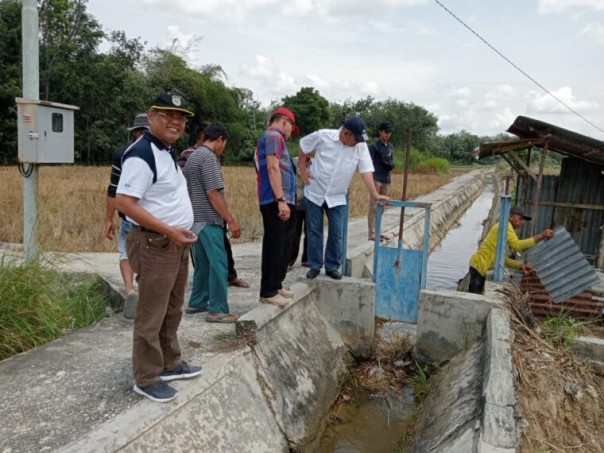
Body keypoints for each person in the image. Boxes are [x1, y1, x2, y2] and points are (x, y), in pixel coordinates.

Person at [115, 93, 202, 403]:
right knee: (151, 313)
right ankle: (147, 378)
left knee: (172, 308)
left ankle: (170, 362)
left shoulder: (165, 151)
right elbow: (125, 203)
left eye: (181, 117)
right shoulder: (142, 154)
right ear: (151, 115)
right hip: (155, 243)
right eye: (167, 114)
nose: (175, 121)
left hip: (174, 243)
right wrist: (168, 230)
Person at [299, 116, 390, 280]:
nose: (358, 142)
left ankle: (332, 266)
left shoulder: (360, 146)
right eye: (356, 138)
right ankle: (315, 265)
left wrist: (374, 194)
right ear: (346, 134)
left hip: (338, 196)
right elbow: (303, 145)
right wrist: (303, 170)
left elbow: (366, 170)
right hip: (315, 193)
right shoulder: (323, 136)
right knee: (314, 231)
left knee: (337, 232)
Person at [178, 123, 249, 289]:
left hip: (195, 221)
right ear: (220, 139)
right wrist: (230, 221)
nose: (223, 148)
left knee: (202, 267)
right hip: (209, 220)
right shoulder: (208, 157)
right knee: (219, 265)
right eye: (224, 143)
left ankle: (198, 302)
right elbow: (213, 193)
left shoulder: (193, 156)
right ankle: (218, 309)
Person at [104, 113, 148, 319]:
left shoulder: (121, 153)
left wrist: (108, 219)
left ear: (135, 132)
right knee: (150, 254)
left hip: (128, 215)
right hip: (150, 217)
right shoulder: (160, 151)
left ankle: (130, 290)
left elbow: (113, 189)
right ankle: (148, 295)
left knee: (125, 252)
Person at [256, 107, 299, 306]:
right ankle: (268, 291)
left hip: (281, 199)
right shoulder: (274, 136)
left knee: (284, 243)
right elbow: (273, 167)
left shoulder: (276, 137)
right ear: (284, 121)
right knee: (275, 244)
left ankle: (277, 284)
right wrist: (280, 199)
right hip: (275, 200)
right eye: (291, 127)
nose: (291, 132)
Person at [467, 206, 553, 294]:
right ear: (511, 217)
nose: (522, 222)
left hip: (479, 266)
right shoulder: (506, 226)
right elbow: (517, 245)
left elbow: (502, 259)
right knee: (474, 295)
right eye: (520, 218)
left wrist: (520, 266)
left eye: (523, 220)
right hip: (479, 266)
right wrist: (541, 236)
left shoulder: (504, 227)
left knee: (476, 293)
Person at [368, 121, 394, 241]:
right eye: (385, 132)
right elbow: (368, 165)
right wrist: (372, 180)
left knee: (382, 207)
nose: (387, 134)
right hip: (376, 178)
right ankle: (372, 234)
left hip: (386, 179)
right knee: (374, 206)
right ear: (380, 132)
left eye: (389, 132)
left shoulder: (390, 146)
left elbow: (390, 162)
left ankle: (378, 232)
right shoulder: (374, 147)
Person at [288, 156, 310, 270]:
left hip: (311, 202)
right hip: (297, 200)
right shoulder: (294, 162)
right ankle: (290, 260)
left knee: (309, 231)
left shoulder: (315, 163)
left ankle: (306, 259)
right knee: (295, 232)